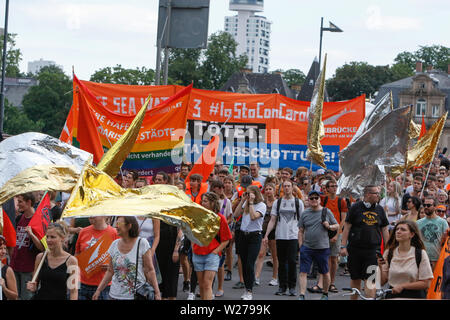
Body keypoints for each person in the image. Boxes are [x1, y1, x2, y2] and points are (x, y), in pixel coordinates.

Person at [339, 185, 390, 300]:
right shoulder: (355, 208)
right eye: (376, 193)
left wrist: (388, 248)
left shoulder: (380, 209)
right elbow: (346, 227)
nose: (378, 195)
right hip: (355, 249)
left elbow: (385, 229)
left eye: (378, 193)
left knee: (371, 280)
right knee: (355, 279)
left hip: (373, 251)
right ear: (367, 194)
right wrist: (343, 246)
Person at [93, 216, 161, 300]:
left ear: (129, 226)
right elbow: (110, 271)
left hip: (136, 296)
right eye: (116, 223)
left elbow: (149, 270)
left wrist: (157, 293)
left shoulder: (142, 243)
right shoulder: (114, 244)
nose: (116, 226)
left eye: (119, 224)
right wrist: (99, 290)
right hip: (114, 296)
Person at [264, 179, 305, 296]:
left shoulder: (298, 203)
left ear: (292, 188)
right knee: (281, 262)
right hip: (280, 235)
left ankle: (292, 286)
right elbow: (273, 220)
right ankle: (282, 286)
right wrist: (266, 234)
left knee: (292, 261)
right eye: (285, 186)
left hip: (293, 235)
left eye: (288, 186)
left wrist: (302, 237)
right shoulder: (278, 202)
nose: (286, 188)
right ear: (282, 188)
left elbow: (302, 221)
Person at [297, 190, 339, 300]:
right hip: (307, 247)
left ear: (320, 200)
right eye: (311, 198)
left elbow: (337, 225)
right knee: (303, 272)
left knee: (325, 272)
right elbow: (301, 230)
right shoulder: (305, 213)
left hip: (322, 247)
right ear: (309, 200)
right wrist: (300, 245)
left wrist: (329, 226)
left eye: (316, 198)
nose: (314, 200)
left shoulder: (326, 211)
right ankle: (302, 295)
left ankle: (325, 293)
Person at [378, 220, 434, 299]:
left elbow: (426, 283)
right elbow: (382, 282)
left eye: (403, 229)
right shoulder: (389, 253)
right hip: (393, 296)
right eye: (397, 229)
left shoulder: (420, 253)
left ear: (411, 234)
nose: (398, 231)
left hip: (415, 296)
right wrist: (379, 267)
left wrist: (402, 286)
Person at [192, 192, 232, 300]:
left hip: (211, 255)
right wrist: (193, 246)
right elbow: (192, 234)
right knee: (201, 285)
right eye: (202, 201)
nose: (202, 203)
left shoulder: (220, 218)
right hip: (197, 253)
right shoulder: (198, 216)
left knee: (207, 284)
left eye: (205, 201)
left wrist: (216, 251)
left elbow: (226, 239)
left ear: (213, 203)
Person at [26, 221, 79, 300]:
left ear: (62, 238)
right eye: (47, 237)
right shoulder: (40, 257)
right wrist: (31, 286)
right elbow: (34, 283)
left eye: (53, 237)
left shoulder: (72, 261)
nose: (48, 240)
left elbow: (73, 291)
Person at [314, 180, 348, 294]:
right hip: (324, 231)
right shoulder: (323, 199)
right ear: (327, 188)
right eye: (332, 186)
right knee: (324, 257)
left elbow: (343, 219)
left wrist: (337, 234)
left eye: (335, 186)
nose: (334, 188)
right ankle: (322, 283)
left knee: (333, 259)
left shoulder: (341, 201)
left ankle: (332, 283)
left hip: (336, 231)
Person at [233, 185, 266, 300]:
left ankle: (249, 291)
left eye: (250, 193)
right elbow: (236, 215)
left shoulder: (261, 205)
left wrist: (251, 203)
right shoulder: (246, 202)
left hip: (254, 236)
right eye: (247, 193)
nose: (248, 195)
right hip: (243, 235)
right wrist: (243, 200)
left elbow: (253, 217)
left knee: (250, 264)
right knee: (244, 262)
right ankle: (246, 288)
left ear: (256, 194)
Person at [153, 171, 183, 300]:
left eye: (160, 180)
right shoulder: (154, 201)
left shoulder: (175, 206)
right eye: (156, 180)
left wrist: (176, 249)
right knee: (160, 275)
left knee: (171, 276)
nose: (157, 182)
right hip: (159, 243)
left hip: (172, 244)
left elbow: (180, 228)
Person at [10, 193, 44, 300]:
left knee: (27, 298)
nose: (18, 204)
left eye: (20, 201)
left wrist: (31, 234)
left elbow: (42, 248)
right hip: (15, 265)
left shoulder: (38, 220)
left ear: (29, 202)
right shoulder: (19, 217)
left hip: (28, 268)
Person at [75, 216, 120, 300]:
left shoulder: (114, 233)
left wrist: (112, 266)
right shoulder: (83, 232)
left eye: (94, 213)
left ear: (104, 215)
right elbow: (76, 255)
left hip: (104, 286)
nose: (91, 215)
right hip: (82, 284)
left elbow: (122, 259)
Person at [255, 183, 279, 287]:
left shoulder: (277, 203)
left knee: (274, 256)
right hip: (263, 230)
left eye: (270, 189)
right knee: (261, 254)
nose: (268, 191)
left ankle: (274, 277)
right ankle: (256, 277)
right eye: (267, 189)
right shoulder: (262, 202)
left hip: (274, 231)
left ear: (274, 191)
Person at [416, 197, 449, 270]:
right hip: (422, 258)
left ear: (435, 207)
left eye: (428, 205)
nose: (426, 207)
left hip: (437, 259)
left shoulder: (442, 222)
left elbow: (447, 240)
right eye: (424, 205)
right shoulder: (418, 223)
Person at [0, 235, 18, 300]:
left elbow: (15, 296)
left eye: (5, 248)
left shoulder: (7, 270)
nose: (4, 252)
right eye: (0, 248)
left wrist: (4, 288)